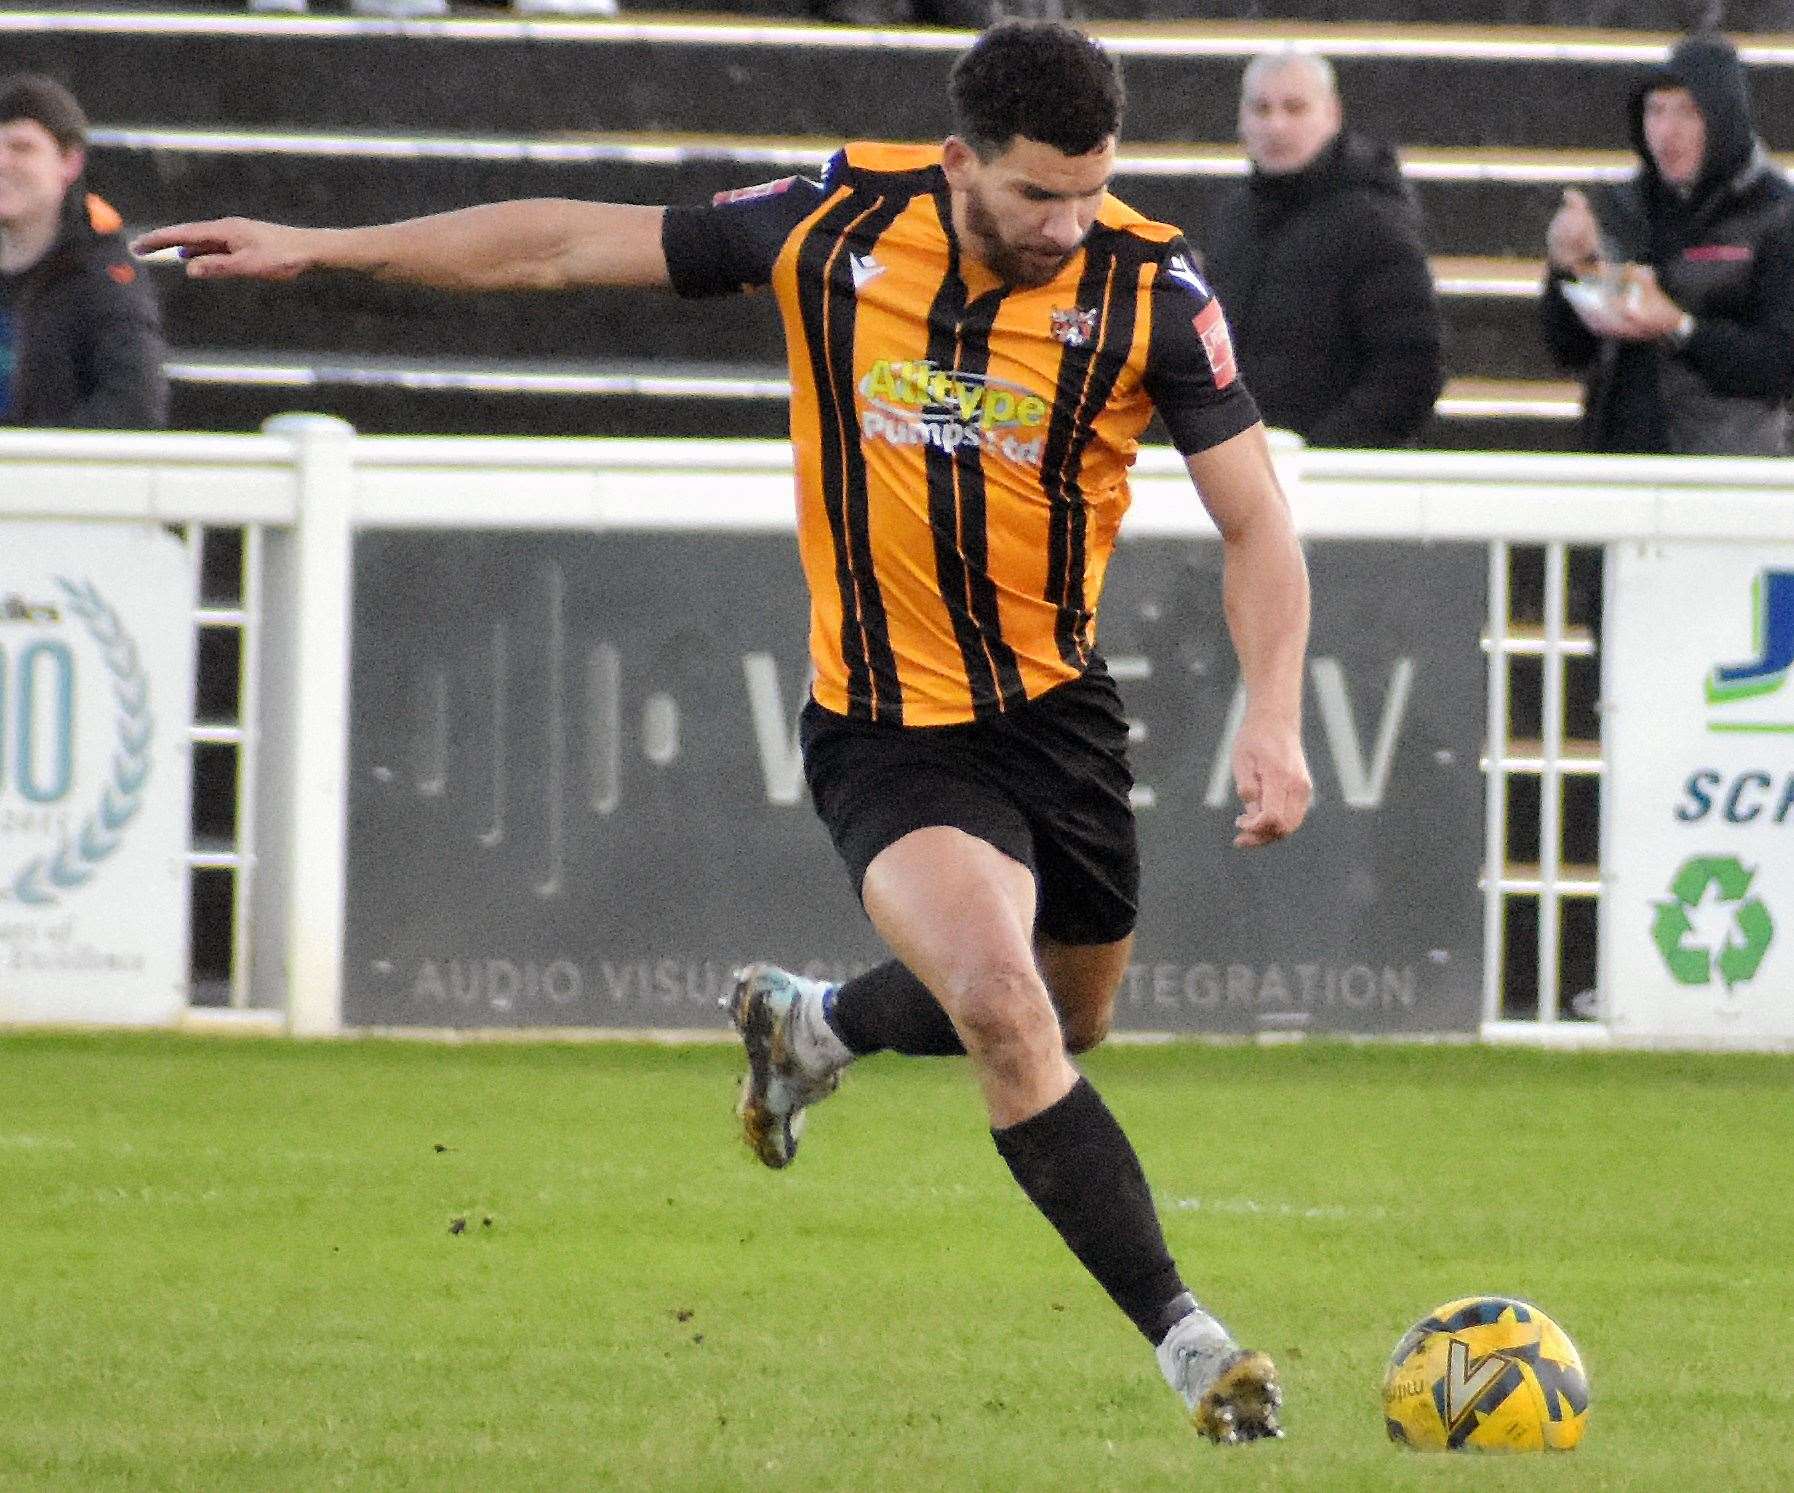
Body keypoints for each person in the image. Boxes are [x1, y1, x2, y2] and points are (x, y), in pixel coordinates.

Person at [134, 20, 1312, 1450]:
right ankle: (1195, 1348)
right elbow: (563, 244)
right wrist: (328, 246)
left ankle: (809, 1023)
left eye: (1088, 191)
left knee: (1069, 1017)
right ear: (959, 162)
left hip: (1053, 720)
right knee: (1002, 1009)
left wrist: (1273, 712)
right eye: (1034, 198)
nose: (1065, 226)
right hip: (886, 732)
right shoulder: (840, 223)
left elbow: (1255, 518)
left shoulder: (1149, 288)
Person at [1541, 32, 1794, 454]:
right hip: (1621, 459)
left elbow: (1780, 363)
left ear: (1724, 119)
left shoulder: (1775, 213)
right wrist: (1568, 269)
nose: (1666, 132)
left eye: (1688, 113)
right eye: (1655, 111)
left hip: (1727, 472)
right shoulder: (1622, 207)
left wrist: (1679, 327)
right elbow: (1569, 349)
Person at [1196, 49, 1444, 448]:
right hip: (1245, 469)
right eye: (1261, 109)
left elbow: (1410, 370)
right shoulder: (1232, 218)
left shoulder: (1375, 223)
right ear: (1241, 119)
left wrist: (1320, 455)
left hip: (1341, 480)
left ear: (1332, 114)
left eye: (1295, 109)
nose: (1276, 125)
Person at [0, 75, 167, 430]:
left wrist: (41, 461)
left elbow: (135, 405)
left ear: (70, 163)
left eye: (22, 147)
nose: (2, 162)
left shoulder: (104, 279)